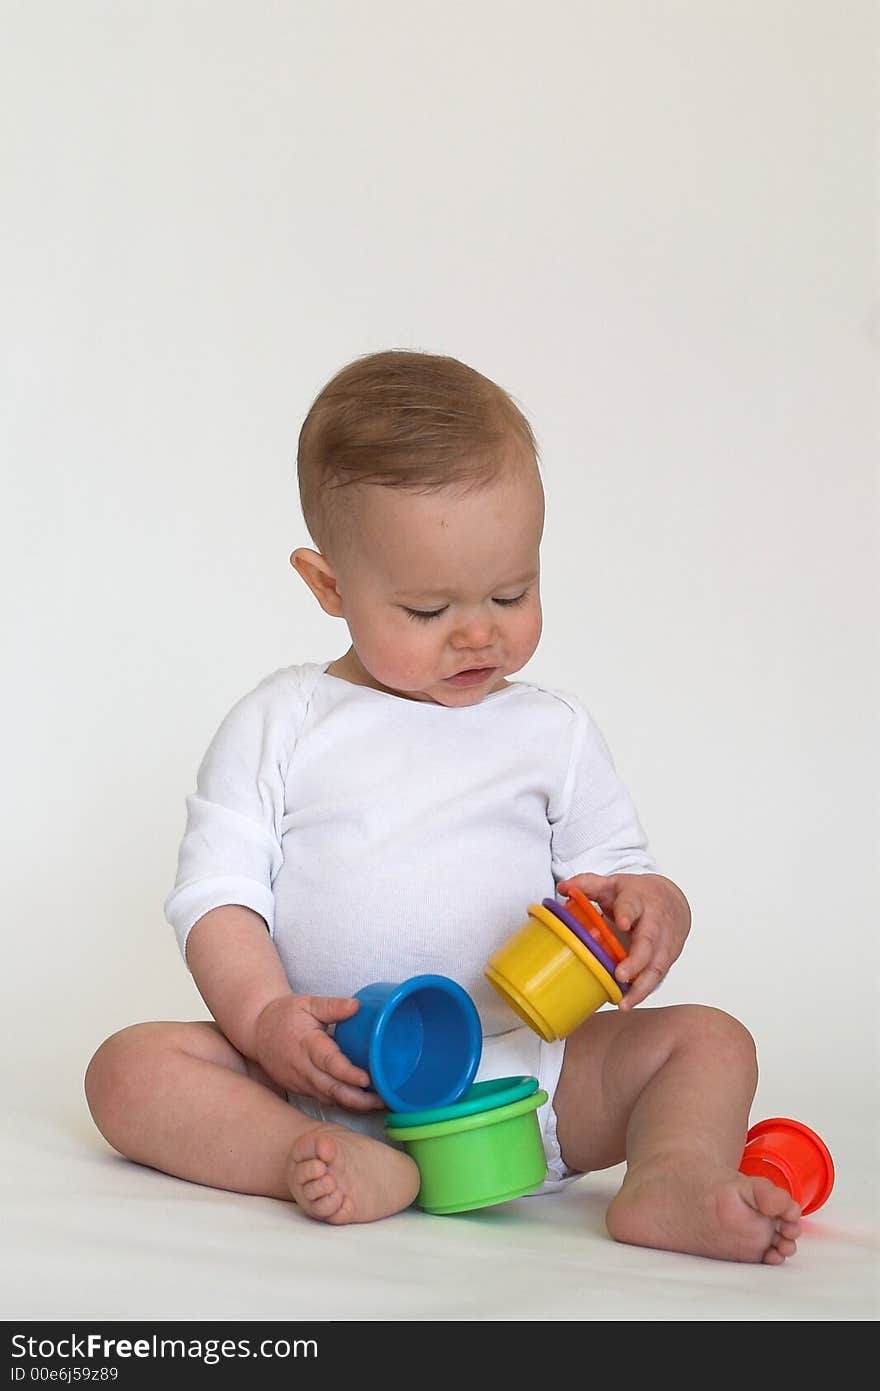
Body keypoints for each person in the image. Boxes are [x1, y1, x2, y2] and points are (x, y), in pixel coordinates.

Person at [85, 349, 802, 1264]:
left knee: (709, 1040)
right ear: (329, 585)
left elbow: (619, 875)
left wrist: (655, 909)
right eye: (427, 609)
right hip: (323, 1075)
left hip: (527, 1078)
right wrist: (266, 1021)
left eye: (512, 592)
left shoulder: (552, 731)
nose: (479, 631)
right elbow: (217, 895)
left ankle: (673, 1177)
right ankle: (309, 1156)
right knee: (129, 1068)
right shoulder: (285, 720)